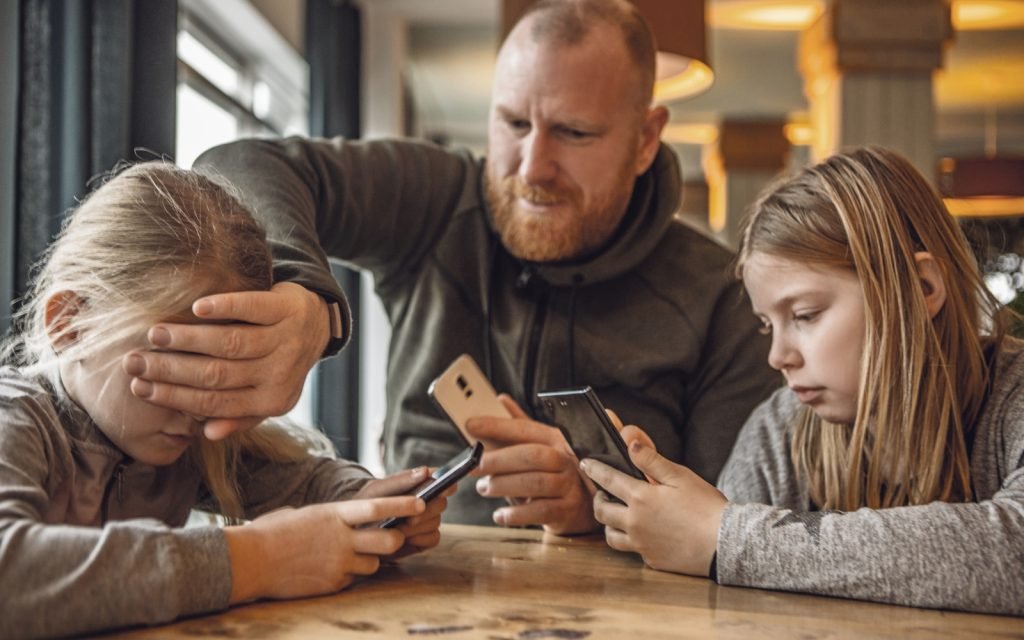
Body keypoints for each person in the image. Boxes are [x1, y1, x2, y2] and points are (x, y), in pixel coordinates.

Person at [120, 0, 779, 532]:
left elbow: (732, 525)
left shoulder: (722, 297)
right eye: (514, 123)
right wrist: (306, 296)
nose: (531, 168)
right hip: (416, 582)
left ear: (645, 139)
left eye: (574, 134)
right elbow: (237, 164)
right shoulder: (436, 199)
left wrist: (594, 506)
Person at [0, 163, 451, 638]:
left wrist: (369, 509)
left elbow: (302, 481)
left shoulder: (187, 444)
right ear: (69, 323)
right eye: (179, 362)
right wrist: (258, 559)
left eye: (221, 370)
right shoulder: (16, 415)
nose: (201, 404)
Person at [580, 146, 1024, 615]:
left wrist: (726, 537)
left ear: (922, 289)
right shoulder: (779, 428)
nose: (778, 357)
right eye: (769, 325)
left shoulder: (1014, 395)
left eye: (806, 315)